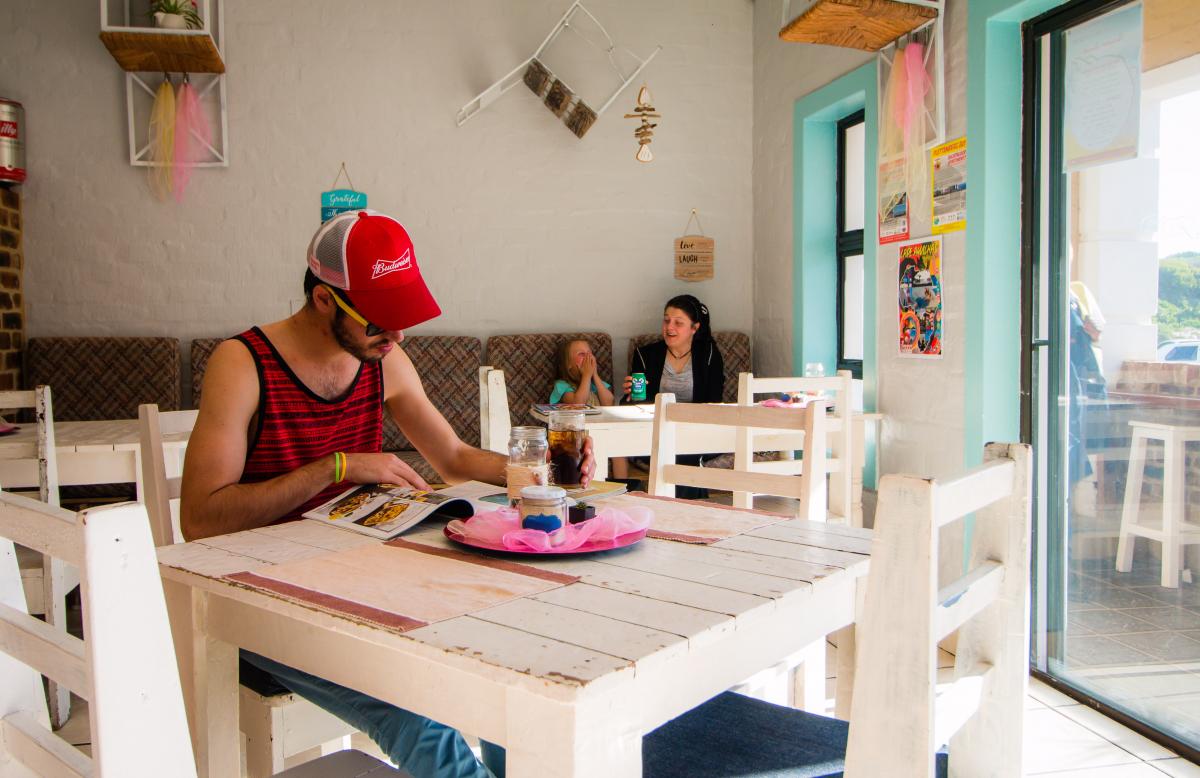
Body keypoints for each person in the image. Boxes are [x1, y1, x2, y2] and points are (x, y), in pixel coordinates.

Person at [180, 209, 592, 778]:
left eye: (402, 319)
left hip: (361, 587)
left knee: (509, 670)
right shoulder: (243, 362)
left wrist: (538, 470)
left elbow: (452, 458)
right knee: (418, 715)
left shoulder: (382, 359)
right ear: (324, 300)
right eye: (380, 322)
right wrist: (337, 468)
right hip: (257, 608)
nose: (396, 337)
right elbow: (200, 520)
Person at [622, 294, 724, 497]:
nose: (669, 327)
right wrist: (631, 396)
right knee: (673, 451)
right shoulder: (646, 354)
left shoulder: (709, 355)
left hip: (697, 430)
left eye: (678, 322)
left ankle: (675, 505)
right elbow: (636, 405)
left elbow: (714, 402)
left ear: (694, 328)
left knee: (684, 452)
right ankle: (689, 506)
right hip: (656, 431)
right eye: (666, 320)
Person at [550, 339, 627, 479]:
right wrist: (586, 376)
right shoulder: (563, 385)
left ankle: (624, 486)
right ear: (568, 365)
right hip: (578, 435)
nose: (588, 358)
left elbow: (609, 403)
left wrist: (594, 375)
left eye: (590, 353)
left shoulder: (597, 385)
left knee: (618, 449)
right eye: (581, 354)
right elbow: (577, 405)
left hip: (602, 430)